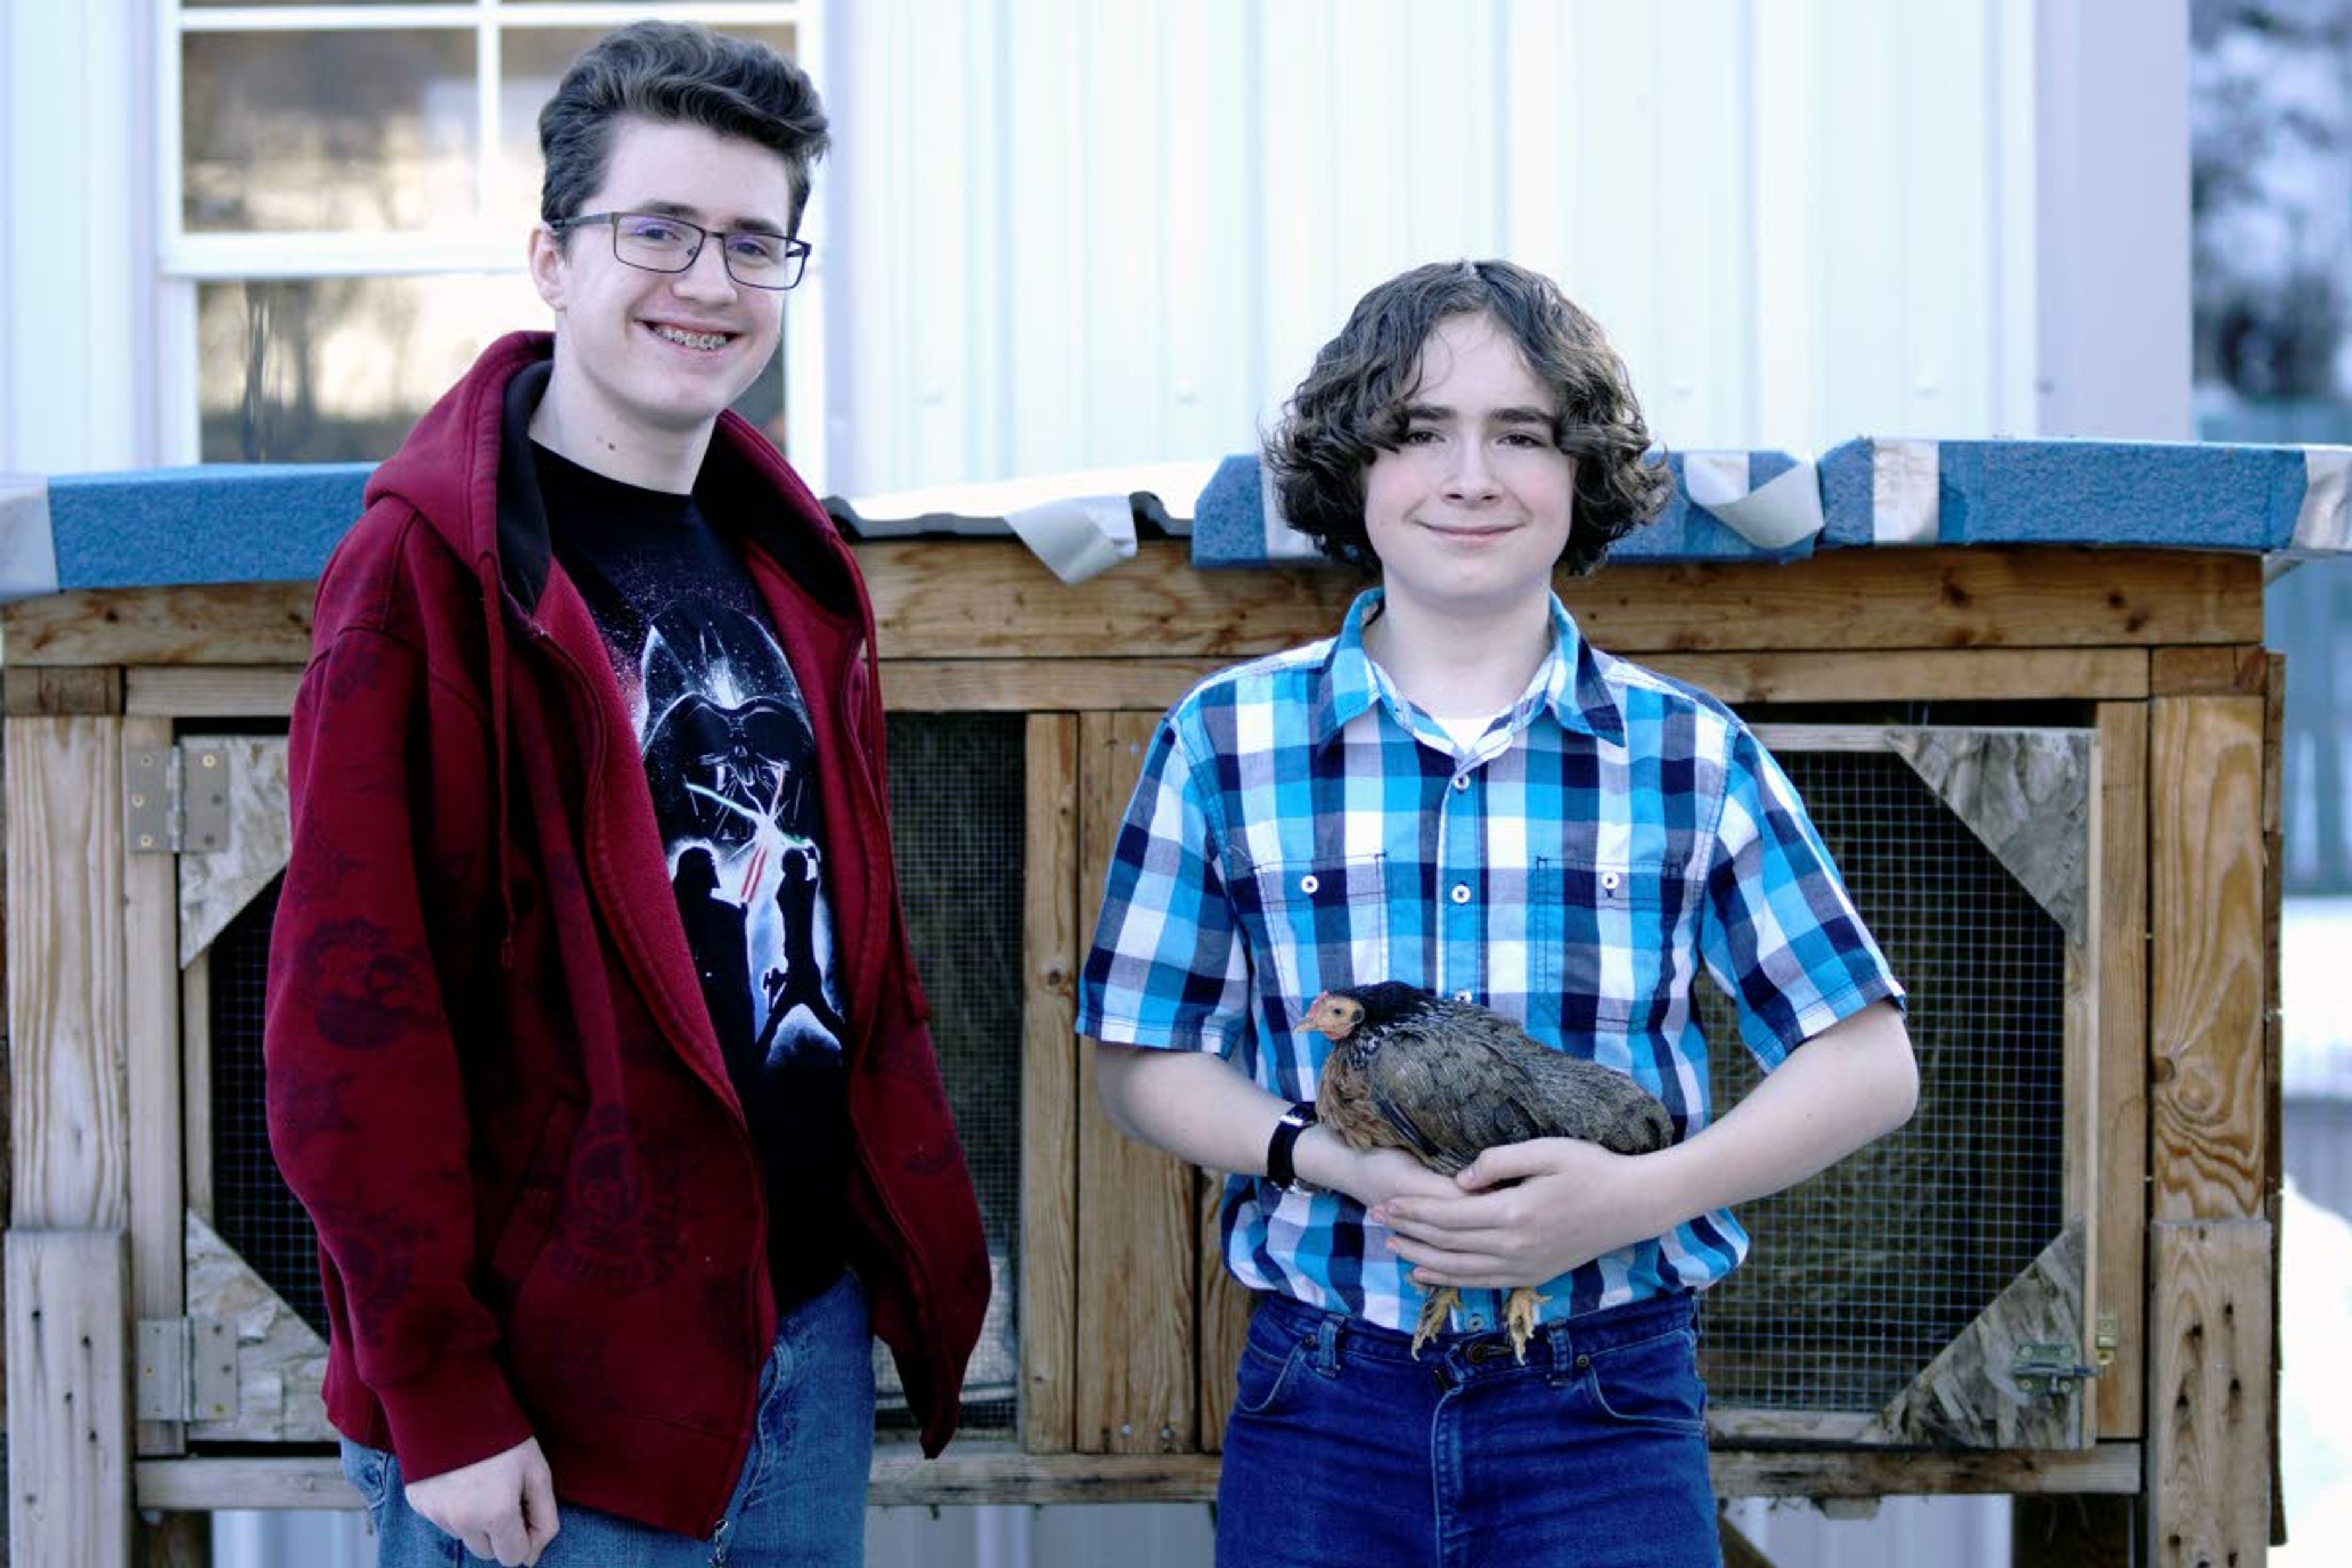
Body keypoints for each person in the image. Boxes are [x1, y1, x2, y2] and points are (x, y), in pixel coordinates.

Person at [263, 22, 990, 1567]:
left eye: (751, 243)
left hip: (796, 1349)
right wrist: (443, 1395)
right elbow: (347, 1024)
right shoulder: (428, 574)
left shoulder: (786, 559)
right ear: (551, 256)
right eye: (656, 232)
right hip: (552, 1395)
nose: (708, 284)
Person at [1078, 259, 1919, 1567]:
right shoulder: (1225, 741)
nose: (1470, 475)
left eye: (1521, 434)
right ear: (1353, 469)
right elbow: (1143, 1056)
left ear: (1579, 472)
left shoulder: (1688, 754)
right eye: (1419, 432)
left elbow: (1869, 1060)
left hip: (1607, 1400)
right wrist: (1335, 1158)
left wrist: (1635, 1198)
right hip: (1325, 1396)